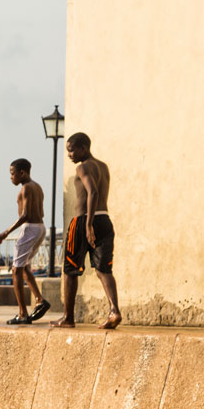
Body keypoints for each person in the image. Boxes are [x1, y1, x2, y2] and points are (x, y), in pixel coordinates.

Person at [57, 132, 122, 330]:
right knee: (103, 269)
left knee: (70, 269)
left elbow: (92, 191)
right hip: (104, 219)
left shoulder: (83, 167)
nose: (69, 155)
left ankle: (68, 318)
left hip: (84, 220)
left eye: (71, 150)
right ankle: (114, 311)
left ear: (83, 148)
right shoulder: (103, 166)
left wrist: (87, 224)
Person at [0, 158, 49, 325]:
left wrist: (5, 232)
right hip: (40, 227)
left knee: (16, 270)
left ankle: (22, 313)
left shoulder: (26, 188)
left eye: (12, 174)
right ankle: (39, 300)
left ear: (22, 173)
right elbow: (41, 213)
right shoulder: (37, 187)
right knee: (24, 267)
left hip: (30, 228)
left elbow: (25, 215)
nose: (11, 177)